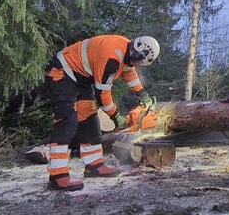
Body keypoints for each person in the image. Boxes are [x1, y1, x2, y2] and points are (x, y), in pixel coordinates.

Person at [43, 34, 160, 191]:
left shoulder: (128, 50)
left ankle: (94, 165)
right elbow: (102, 94)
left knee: (89, 120)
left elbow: (129, 71)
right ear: (139, 54)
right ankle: (57, 176)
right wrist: (115, 116)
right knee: (67, 122)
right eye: (138, 62)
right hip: (62, 73)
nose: (137, 65)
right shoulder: (112, 58)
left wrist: (142, 94)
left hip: (80, 79)